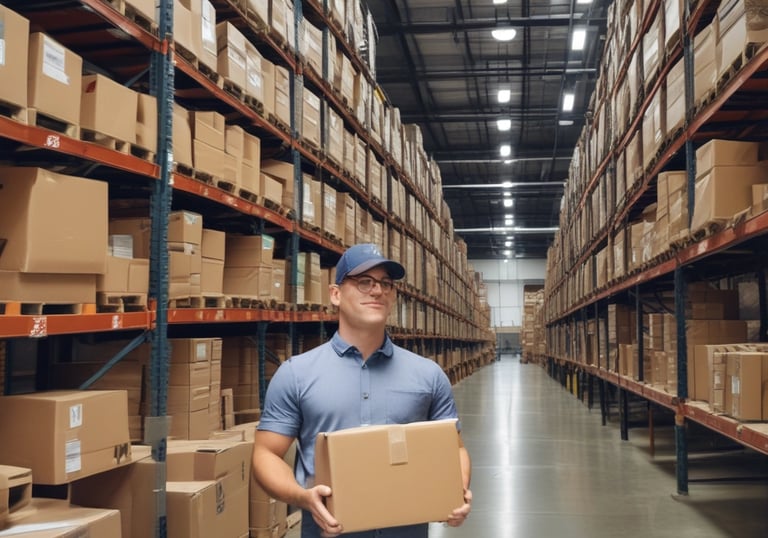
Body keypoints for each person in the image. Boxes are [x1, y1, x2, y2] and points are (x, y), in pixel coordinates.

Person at [252, 243, 472, 537]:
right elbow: (266, 453)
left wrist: (456, 489)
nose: (377, 291)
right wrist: (303, 497)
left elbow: (455, 448)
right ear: (335, 294)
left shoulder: (428, 375)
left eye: (386, 284)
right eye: (364, 282)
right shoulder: (296, 374)